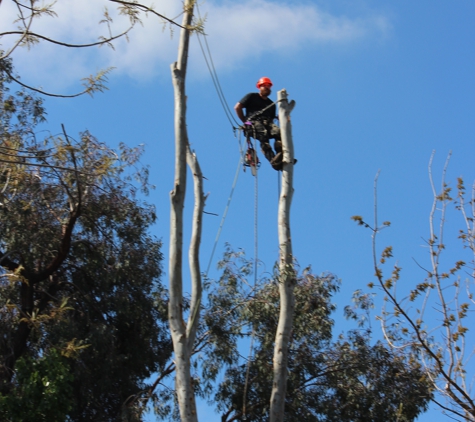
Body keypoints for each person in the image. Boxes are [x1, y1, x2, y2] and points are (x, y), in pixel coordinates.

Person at [234, 77, 284, 171]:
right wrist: (245, 122)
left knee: (280, 134)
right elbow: (237, 107)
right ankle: (273, 160)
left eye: (268, 86)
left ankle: (280, 156)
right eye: (264, 86)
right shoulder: (252, 96)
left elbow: (272, 121)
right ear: (259, 87)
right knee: (263, 135)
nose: (266, 88)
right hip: (253, 122)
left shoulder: (271, 104)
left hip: (267, 123)